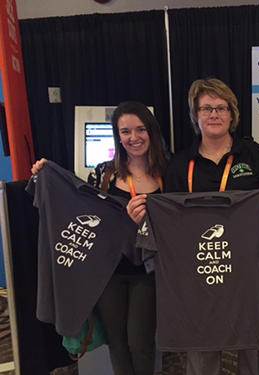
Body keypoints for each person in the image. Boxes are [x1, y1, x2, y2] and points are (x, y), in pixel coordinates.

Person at [130, 77, 259, 375]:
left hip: (248, 270)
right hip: (199, 268)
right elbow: (168, 220)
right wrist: (145, 217)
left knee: (252, 345)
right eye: (206, 108)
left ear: (232, 114)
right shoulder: (180, 163)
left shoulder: (255, 155)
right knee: (201, 343)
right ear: (195, 115)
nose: (214, 115)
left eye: (221, 108)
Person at [32, 101, 169, 375]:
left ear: (151, 132)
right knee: (117, 341)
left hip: (149, 270)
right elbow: (80, 206)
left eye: (140, 129)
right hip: (108, 272)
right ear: (117, 135)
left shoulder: (168, 171)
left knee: (140, 342)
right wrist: (44, 175)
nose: (134, 137)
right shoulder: (104, 173)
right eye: (126, 131)